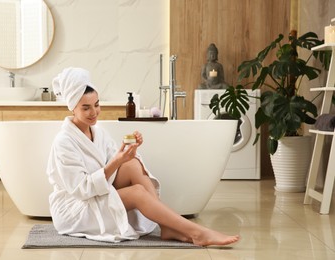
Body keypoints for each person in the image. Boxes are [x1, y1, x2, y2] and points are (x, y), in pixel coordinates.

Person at [46, 67, 240, 246]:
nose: (94, 112)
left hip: (95, 193)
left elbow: (116, 164)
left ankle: (168, 226)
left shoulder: (98, 131)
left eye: (96, 105)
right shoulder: (64, 142)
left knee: (131, 164)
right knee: (137, 192)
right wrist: (117, 160)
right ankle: (197, 233)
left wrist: (127, 153)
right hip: (75, 208)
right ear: (72, 108)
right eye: (85, 108)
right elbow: (82, 190)